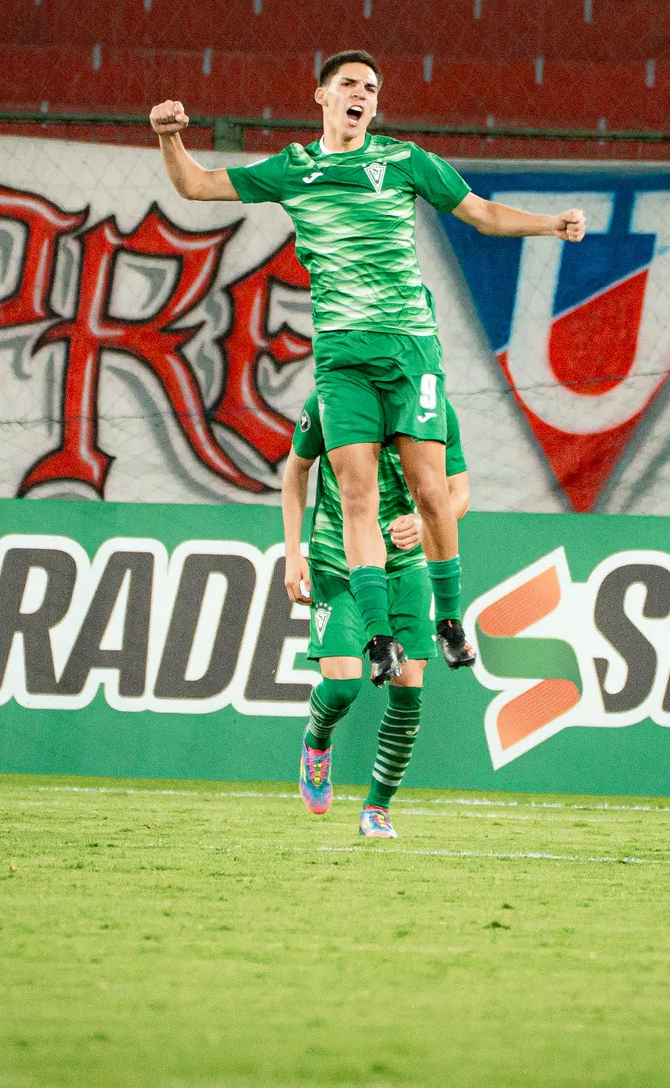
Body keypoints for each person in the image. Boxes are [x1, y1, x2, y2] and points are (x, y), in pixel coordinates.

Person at [152, 50, 582, 687]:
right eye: (349, 84)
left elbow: (482, 213)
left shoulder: (405, 162)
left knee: (431, 491)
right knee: (357, 494)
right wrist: (170, 138)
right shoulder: (294, 169)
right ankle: (379, 637)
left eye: (372, 88)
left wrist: (552, 224)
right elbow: (196, 184)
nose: (362, 94)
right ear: (321, 97)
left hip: (411, 350)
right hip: (343, 356)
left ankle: (451, 619)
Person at [281, 392, 468, 839]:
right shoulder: (332, 400)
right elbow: (295, 473)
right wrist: (292, 553)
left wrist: (425, 524)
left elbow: (458, 494)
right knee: (342, 687)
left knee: (408, 694)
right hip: (337, 563)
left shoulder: (433, 408)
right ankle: (317, 740)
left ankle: (377, 808)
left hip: (405, 569)